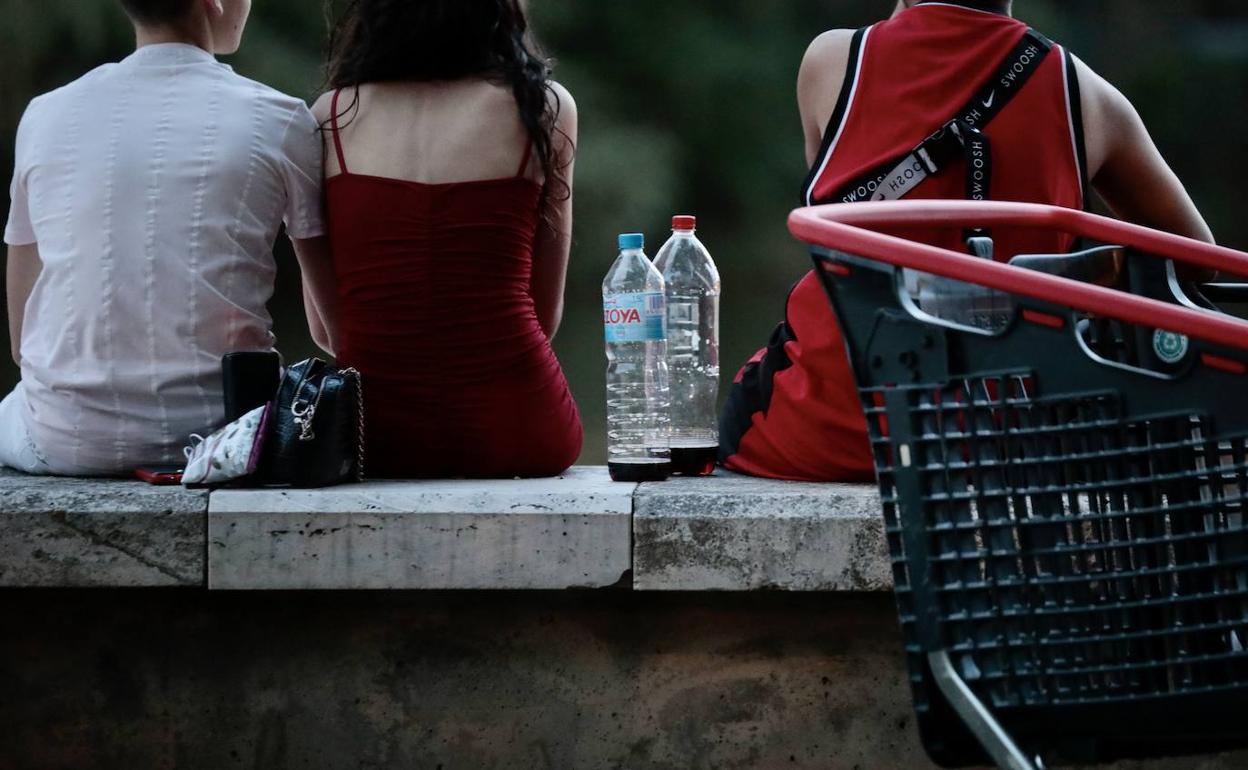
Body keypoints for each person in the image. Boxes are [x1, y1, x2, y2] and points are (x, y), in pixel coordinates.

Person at [719, 0, 1214, 482]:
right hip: (1004, 443)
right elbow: (1195, 257)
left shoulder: (834, 61)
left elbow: (846, 233)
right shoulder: (1087, 96)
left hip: (821, 435)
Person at [1, 0, 332, 476]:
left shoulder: (45, 114)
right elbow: (328, 331)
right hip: (231, 434)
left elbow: (21, 343)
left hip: (63, 439)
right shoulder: (280, 118)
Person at [305, 0, 583, 478]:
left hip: (369, 436)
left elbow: (328, 332)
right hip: (521, 429)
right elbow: (545, 312)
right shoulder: (543, 108)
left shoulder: (330, 118)